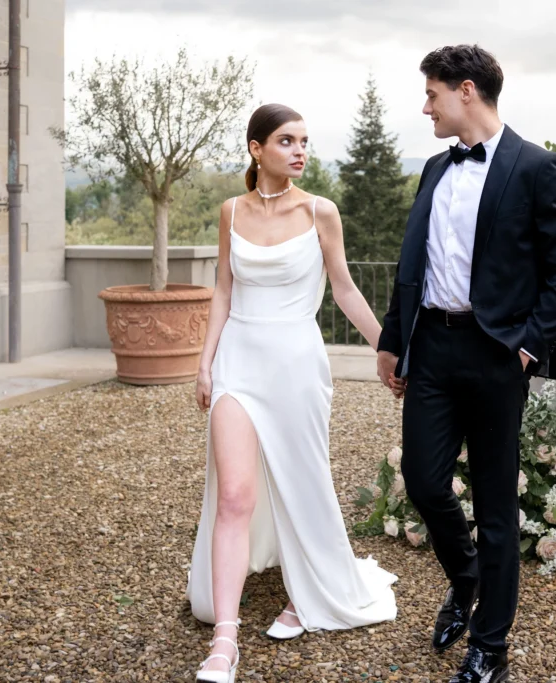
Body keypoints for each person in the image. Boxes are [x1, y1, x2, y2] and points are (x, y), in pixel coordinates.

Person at [376, 45, 556, 683]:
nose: (426, 106)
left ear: (466, 91)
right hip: (432, 349)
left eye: (432, 94)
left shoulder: (538, 167)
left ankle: (490, 643)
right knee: (423, 480)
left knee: (496, 505)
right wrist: (393, 338)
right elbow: (413, 268)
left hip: (497, 354)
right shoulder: (435, 169)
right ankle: (466, 583)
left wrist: (527, 345)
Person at [187, 103, 398, 683]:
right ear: (257, 149)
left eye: (305, 140)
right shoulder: (230, 211)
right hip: (239, 363)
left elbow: (346, 289)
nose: (300, 150)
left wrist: (388, 348)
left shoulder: (320, 210)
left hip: (299, 365)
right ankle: (224, 643)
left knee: (301, 482)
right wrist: (205, 363)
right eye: (287, 140)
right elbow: (223, 292)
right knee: (235, 494)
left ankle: (311, 589)